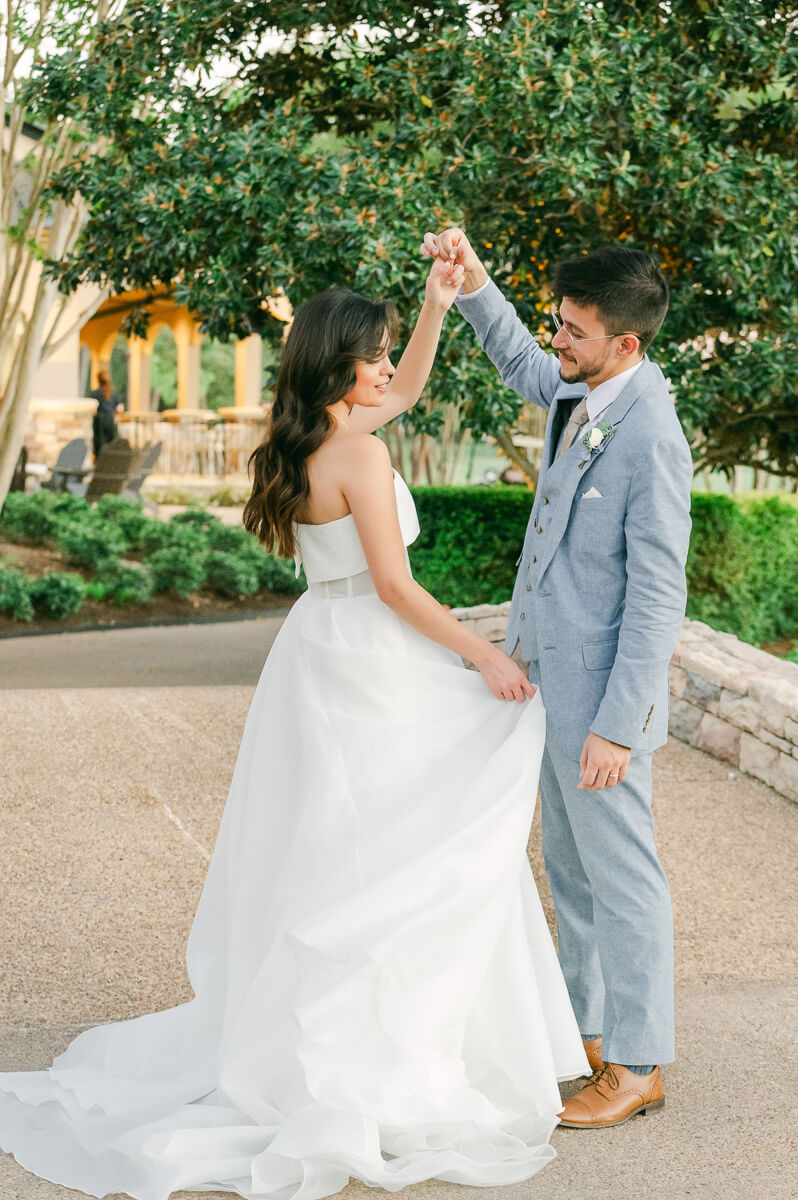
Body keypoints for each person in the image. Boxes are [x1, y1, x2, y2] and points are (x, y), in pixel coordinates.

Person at [0, 253, 589, 1200]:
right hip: (369, 655)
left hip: (319, 651)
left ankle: (330, 1033)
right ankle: (374, 1050)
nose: (388, 370)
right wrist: (483, 654)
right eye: (374, 358)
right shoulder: (360, 447)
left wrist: (439, 306)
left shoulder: (321, 433)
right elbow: (396, 588)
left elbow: (413, 387)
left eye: (390, 352)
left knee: (341, 851)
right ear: (335, 366)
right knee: (402, 839)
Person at [421, 227, 692, 1128]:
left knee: (624, 878)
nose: (557, 343)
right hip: (549, 685)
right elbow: (518, 362)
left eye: (572, 331)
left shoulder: (650, 431)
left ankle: (640, 1061)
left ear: (627, 343)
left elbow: (657, 596)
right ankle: (586, 1032)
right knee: (569, 872)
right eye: (557, 323)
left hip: (602, 705)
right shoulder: (580, 390)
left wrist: (619, 726)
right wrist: (473, 284)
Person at [90, 369, 124, 458]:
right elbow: (120, 407)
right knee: (111, 442)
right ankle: (109, 462)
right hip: (110, 420)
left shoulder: (95, 393)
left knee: (100, 444)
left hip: (99, 421)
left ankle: (100, 463)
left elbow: (92, 409)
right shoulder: (113, 393)